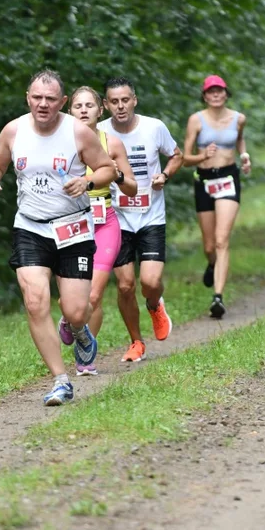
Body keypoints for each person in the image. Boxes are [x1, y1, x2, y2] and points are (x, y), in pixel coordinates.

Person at [0, 70, 117, 406]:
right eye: (37, 97)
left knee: (75, 311)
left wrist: (87, 183)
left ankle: (80, 329)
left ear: (63, 102)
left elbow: (108, 169)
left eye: (50, 99)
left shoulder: (78, 133)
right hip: (30, 226)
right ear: (28, 96)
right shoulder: (14, 130)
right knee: (34, 301)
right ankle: (60, 379)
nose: (43, 104)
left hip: (72, 227)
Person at [98, 76, 183, 362]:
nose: (120, 107)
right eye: (114, 101)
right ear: (106, 104)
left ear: (134, 100)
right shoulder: (98, 132)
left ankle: (154, 303)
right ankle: (136, 341)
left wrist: (165, 175)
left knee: (149, 281)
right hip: (116, 218)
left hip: (150, 216)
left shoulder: (154, 127)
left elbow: (176, 155)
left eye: (125, 100)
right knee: (124, 285)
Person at [63, 85, 138, 375]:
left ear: (100, 109)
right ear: (69, 111)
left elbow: (131, 188)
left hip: (105, 221)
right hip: (70, 225)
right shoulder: (61, 142)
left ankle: (85, 355)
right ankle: (68, 320)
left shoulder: (112, 143)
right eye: (78, 106)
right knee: (72, 300)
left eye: (89, 105)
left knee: (93, 296)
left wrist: (116, 174)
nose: (83, 110)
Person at [182, 75, 250, 320]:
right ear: (205, 96)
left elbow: (240, 140)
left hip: (229, 179)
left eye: (219, 91)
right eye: (211, 92)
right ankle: (212, 263)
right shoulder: (196, 120)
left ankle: (218, 297)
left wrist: (244, 156)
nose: (216, 95)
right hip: (205, 180)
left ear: (226, 93)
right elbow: (184, 157)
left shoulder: (238, 119)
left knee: (222, 240)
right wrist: (202, 157)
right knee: (209, 245)